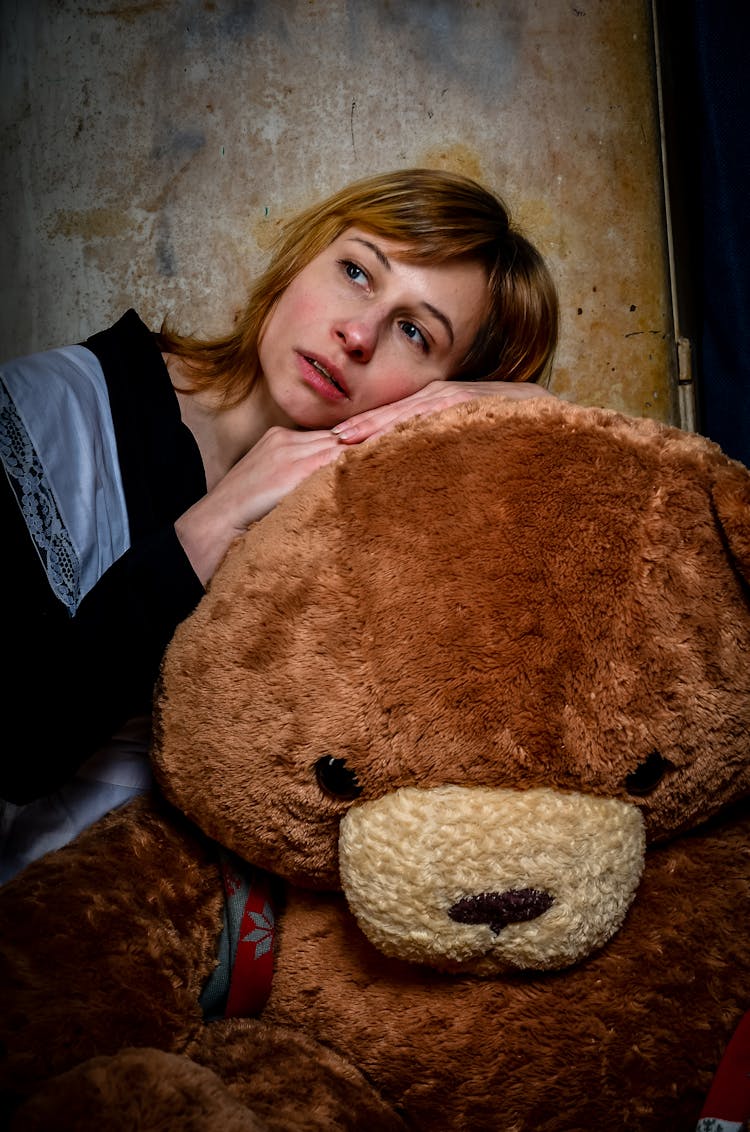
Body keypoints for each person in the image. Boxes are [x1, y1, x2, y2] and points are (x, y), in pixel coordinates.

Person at [0, 167, 558, 881]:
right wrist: (213, 524)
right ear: (303, 260)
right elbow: (20, 744)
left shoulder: (372, 520)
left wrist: (507, 405)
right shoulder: (50, 409)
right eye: (357, 272)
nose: (357, 333)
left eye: (414, 333)